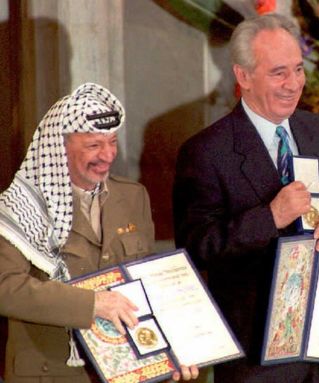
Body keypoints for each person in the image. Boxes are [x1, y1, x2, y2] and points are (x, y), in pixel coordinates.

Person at [173, 13, 319, 383]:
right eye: (278, 73)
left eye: (298, 70)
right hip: (258, 360)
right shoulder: (206, 151)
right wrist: (270, 217)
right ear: (243, 76)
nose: (293, 84)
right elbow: (195, 247)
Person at [0, 83, 198, 382]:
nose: (107, 155)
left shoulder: (133, 197)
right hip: (51, 374)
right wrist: (92, 304)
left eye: (113, 142)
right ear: (60, 145)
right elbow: (6, 289)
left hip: (126, 370)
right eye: (94, 145)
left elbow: (145, 283)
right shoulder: (19, 207)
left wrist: (172, 350)